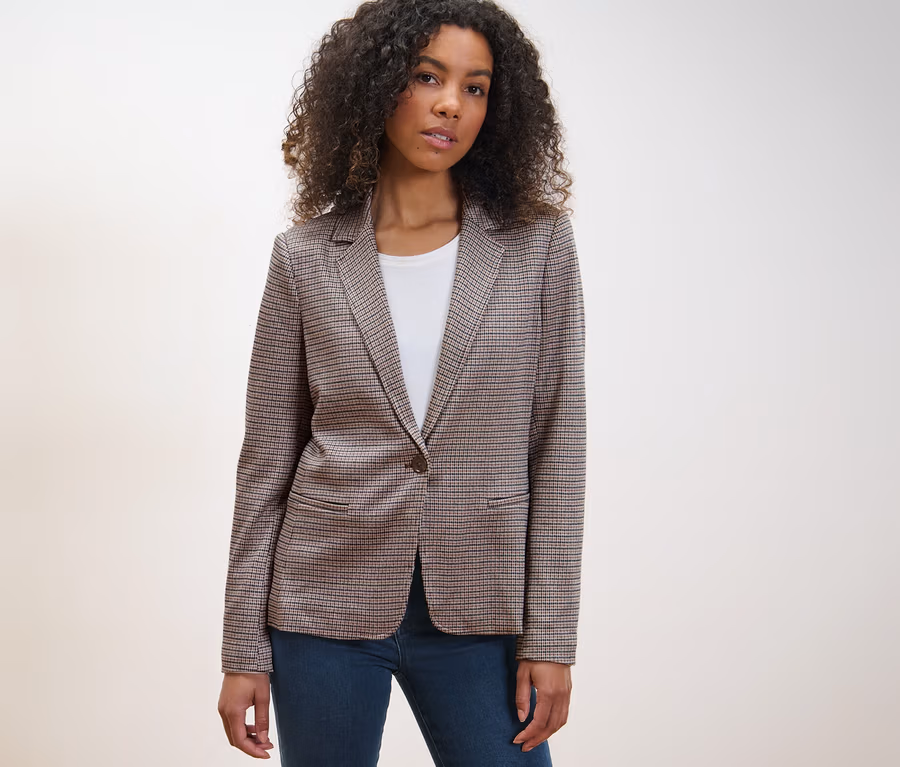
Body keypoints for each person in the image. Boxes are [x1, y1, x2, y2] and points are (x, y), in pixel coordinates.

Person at [216, 1, 586, 764]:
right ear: (376, 86)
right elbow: (267, 462)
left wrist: (551, 636)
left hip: (481, 610)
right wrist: (243, 646)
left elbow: (558, 446)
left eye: (475, 87)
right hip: (322, 606)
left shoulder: (538, 246)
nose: (452, 103)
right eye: (427, 77)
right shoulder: (304, 257)